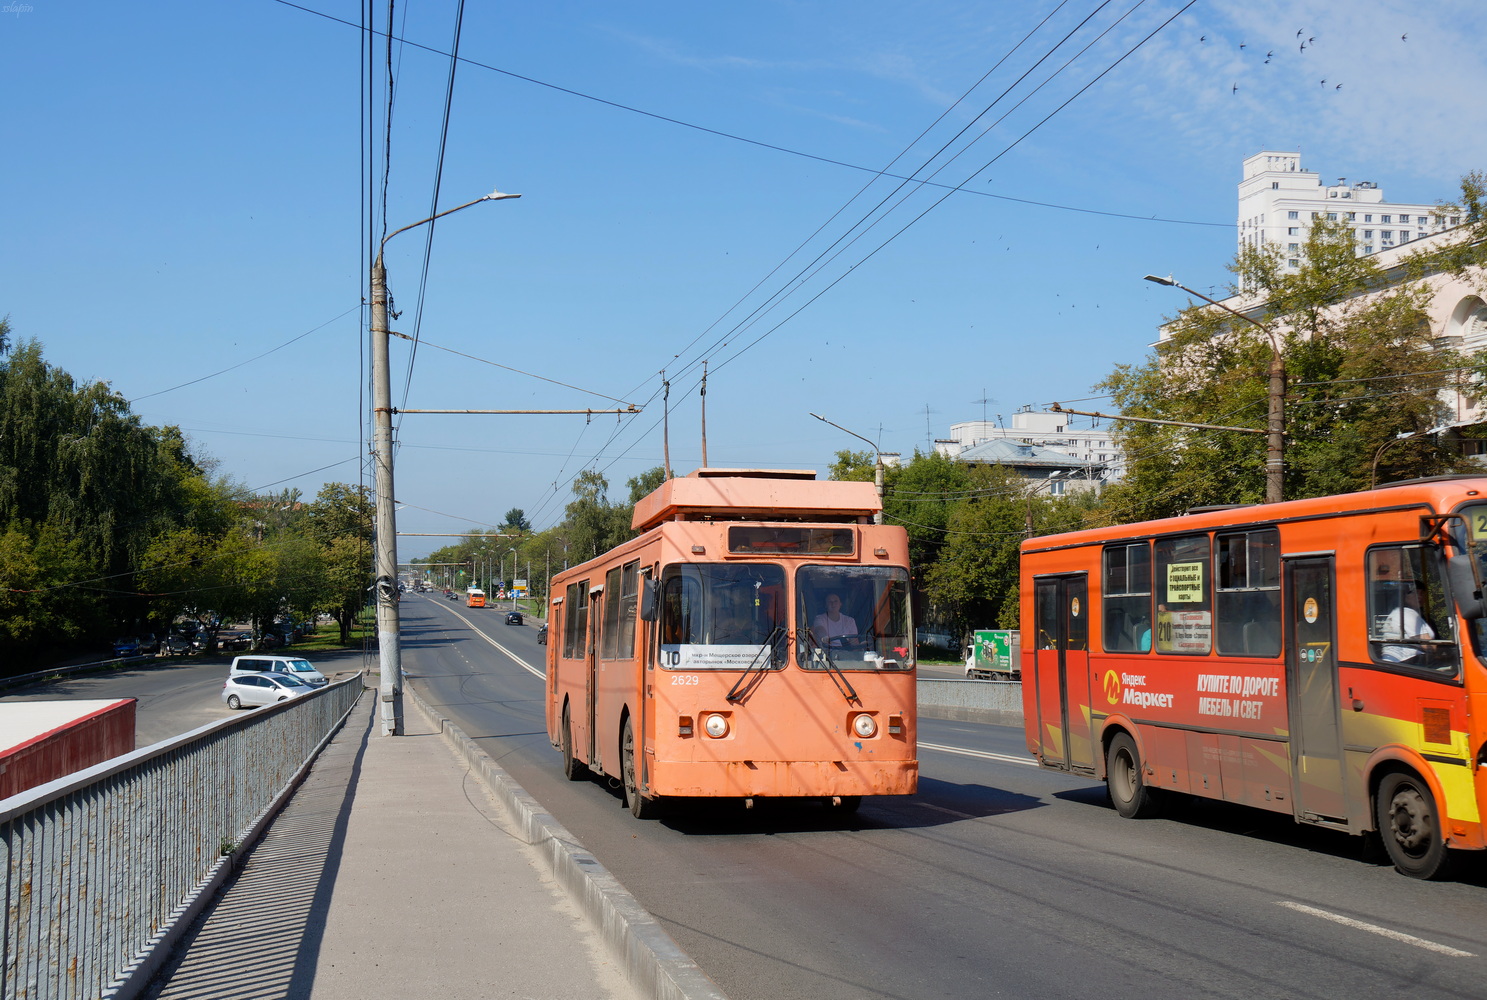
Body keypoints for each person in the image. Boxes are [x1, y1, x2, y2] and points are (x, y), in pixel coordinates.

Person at [1379, 583, 1435, 662]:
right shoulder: (1406, 613)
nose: (1420, 596)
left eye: (1422, 593)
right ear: (1404, 596)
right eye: (1415, 593)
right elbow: (1428, 646)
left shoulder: (1402, 612)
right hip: (1406, 663)